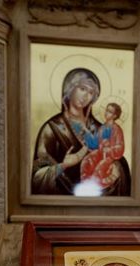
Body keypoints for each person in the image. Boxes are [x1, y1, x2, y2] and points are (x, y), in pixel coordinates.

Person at [31, 68, 131, 196]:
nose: (86, 96)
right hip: (63, 202)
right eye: (82, 89)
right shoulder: (52, 129)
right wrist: (63, 165)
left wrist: (117, 168)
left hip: (99, 199)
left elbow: (117, 157)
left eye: (91, 92)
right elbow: (37, 177)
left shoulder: (101, 128)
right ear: (70, 89)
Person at [80, 102, 125, 189]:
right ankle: (84, 185)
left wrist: (110, 149)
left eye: (110, 112)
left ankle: (94, 188)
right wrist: (86, 133)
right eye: (106, 110)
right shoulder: (102, 128)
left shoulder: (116, 129)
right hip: (100, 154)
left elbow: (120, 146)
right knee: (86, 161)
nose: (106, 113)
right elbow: (94, 143)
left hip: (110, 157)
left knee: (99, 168)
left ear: (115, 116)